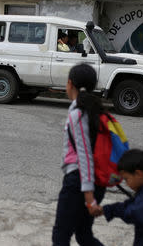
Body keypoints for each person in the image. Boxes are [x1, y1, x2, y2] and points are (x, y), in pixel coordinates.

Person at [52, 63, 106, 246]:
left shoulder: (79, 113)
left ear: (69, 83)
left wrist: (89, 198)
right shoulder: (95, 109)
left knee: (61, 235)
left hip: (79, 182)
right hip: (93, 181)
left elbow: (85, 155)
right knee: (83, 235)